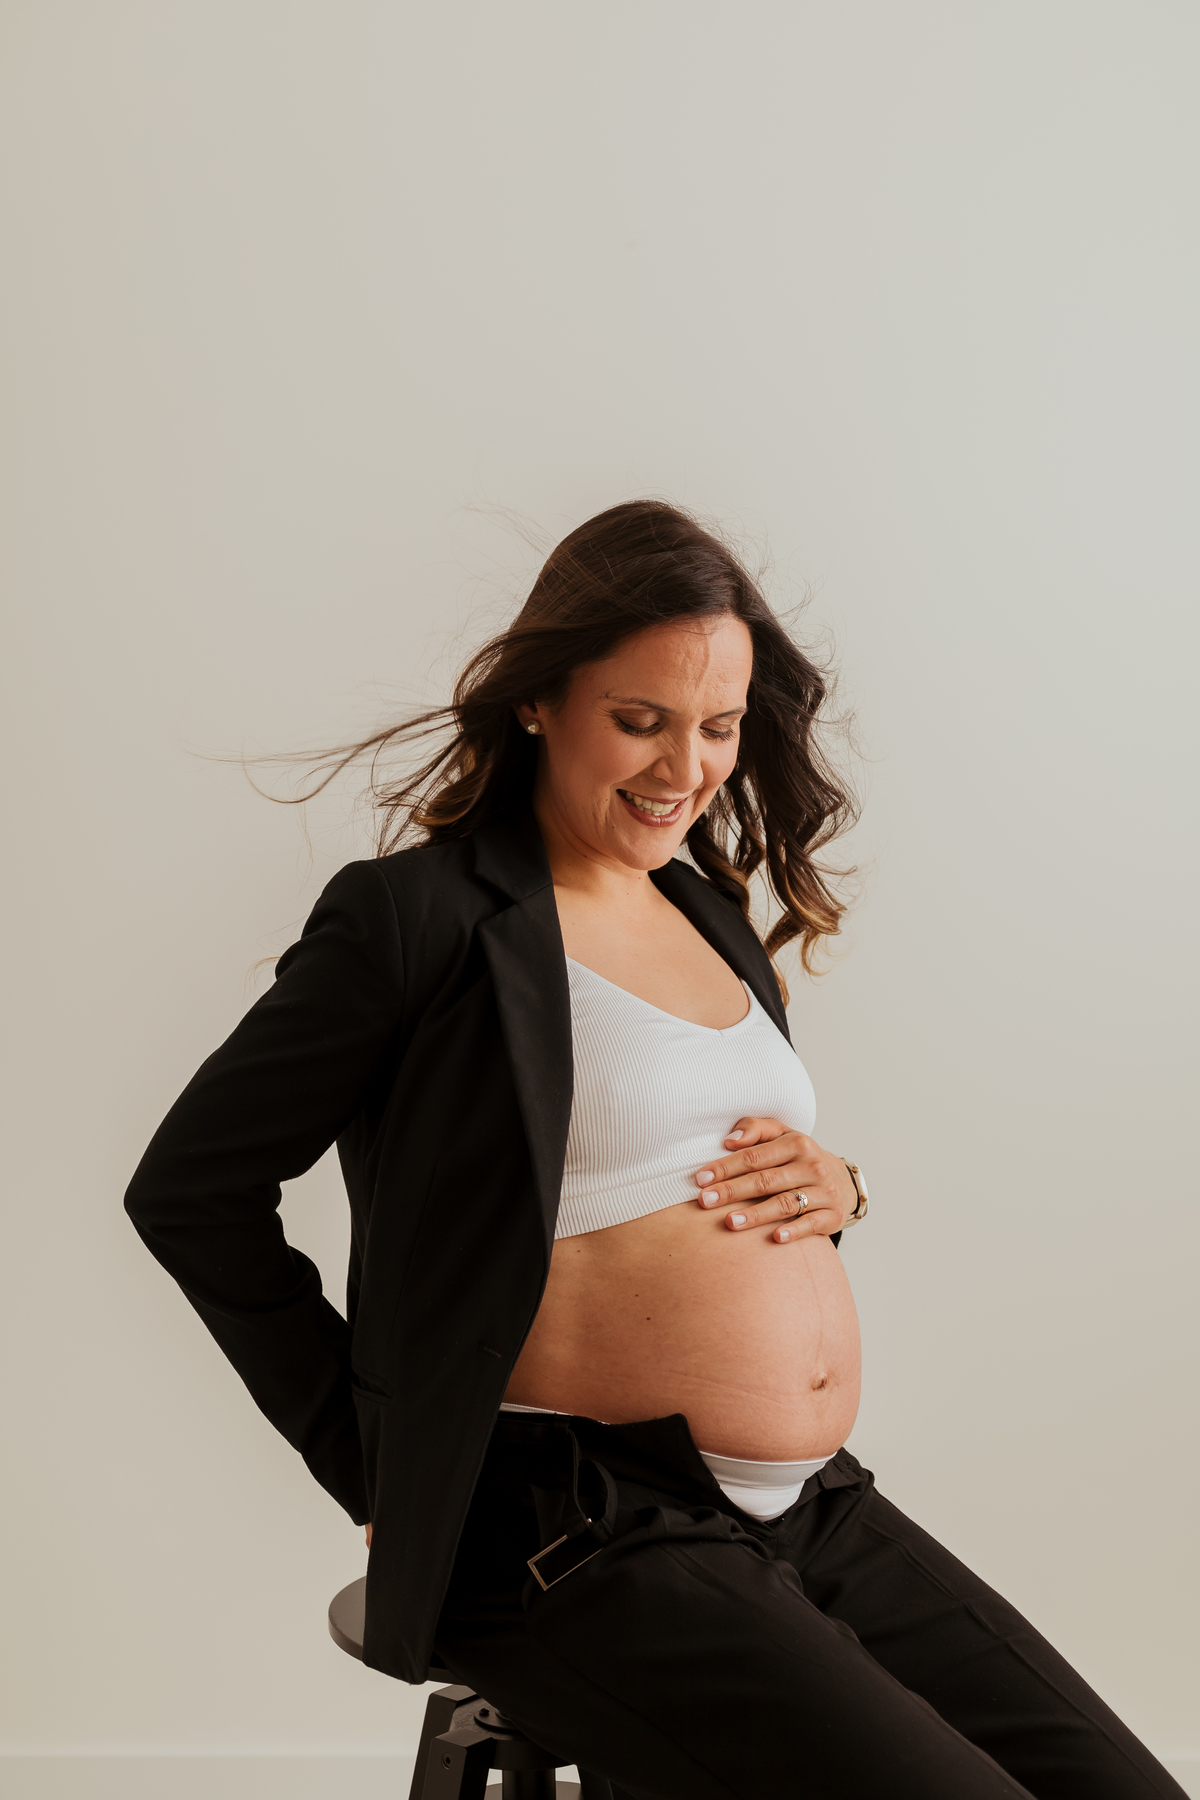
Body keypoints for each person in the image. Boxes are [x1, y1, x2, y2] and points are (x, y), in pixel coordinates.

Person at [124, 501, 1184, 1800]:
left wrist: (840, 1187)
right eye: (641, 720)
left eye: (720, 726)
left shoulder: (704, 902)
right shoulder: (421, 920)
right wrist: (376, 1456)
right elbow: (192, 1189)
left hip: (812, 1509)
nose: (686, 766)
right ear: (539, 702)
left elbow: (664, 1166)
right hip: (570, 1527)